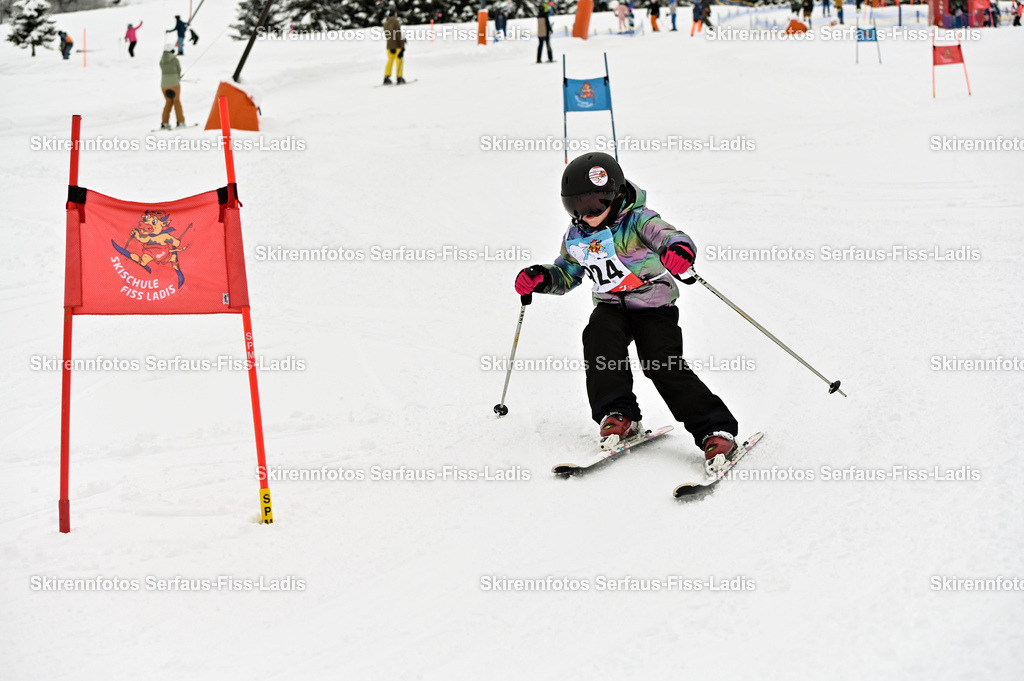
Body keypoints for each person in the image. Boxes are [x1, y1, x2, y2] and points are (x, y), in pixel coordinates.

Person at [514, 153, 740, 474]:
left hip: (653, 305)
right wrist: (543, 277)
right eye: (575, 207)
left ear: (616, 194)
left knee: (662, 364)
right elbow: (567, 274)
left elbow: (670, 237)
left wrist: (679, 251)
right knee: (599, 343)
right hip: (610, 305)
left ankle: (714, 430)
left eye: (594, 205)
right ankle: (620, 415)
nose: (586, 215)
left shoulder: (639, 220)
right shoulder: (577, 236)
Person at [159, 45, 185, 129]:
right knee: (177, 102)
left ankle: (164, 123)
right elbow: (178, 70)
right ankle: (180, 122)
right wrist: (178, 76)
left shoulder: (161, 61)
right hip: (174, 84)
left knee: (168, 102)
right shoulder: (175, 59)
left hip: (164, 85)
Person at [383, 6, 407, 85]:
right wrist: (402, 44)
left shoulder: (386, 23)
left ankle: (386, 77)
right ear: (394, 14)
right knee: (399, 60)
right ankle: (399, 77)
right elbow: (398, 34)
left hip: (389, 46)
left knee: (390, 61)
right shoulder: (395, 22)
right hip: (397, 45)